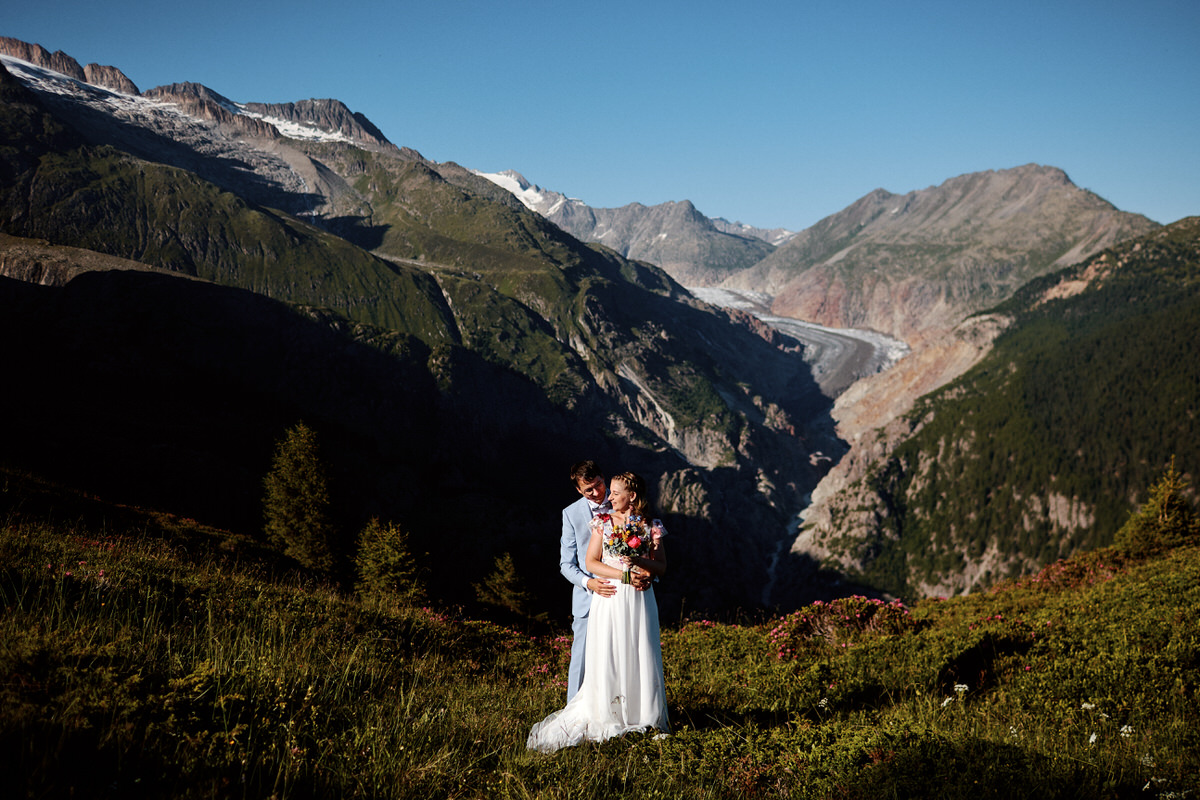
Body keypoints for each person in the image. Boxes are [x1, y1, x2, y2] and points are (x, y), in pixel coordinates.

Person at [529, 470, 669, 752]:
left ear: (632, 496)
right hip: (612, 595)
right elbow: (591, 563)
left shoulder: (650, 525)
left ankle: (642, 714)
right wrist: (625, 576)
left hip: (641, 599)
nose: (609, 497)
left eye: (615, 493)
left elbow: (661, 566)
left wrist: (642, 565)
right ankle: (609, 712)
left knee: (640, 650)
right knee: (610, 653)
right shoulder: (603, 522)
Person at [558, 461, 650, 700]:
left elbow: (645, 550)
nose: (598, 493)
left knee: (625, 657)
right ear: (579, 490)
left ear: (603, 478)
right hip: (590, 597)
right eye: (589, 490)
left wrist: (646, 577)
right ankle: (573, 712)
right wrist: (589, 583)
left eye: (599, 485)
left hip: (626, 596)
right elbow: (566, 564)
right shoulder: (571, 514)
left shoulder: (623, 501)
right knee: (581, 658)